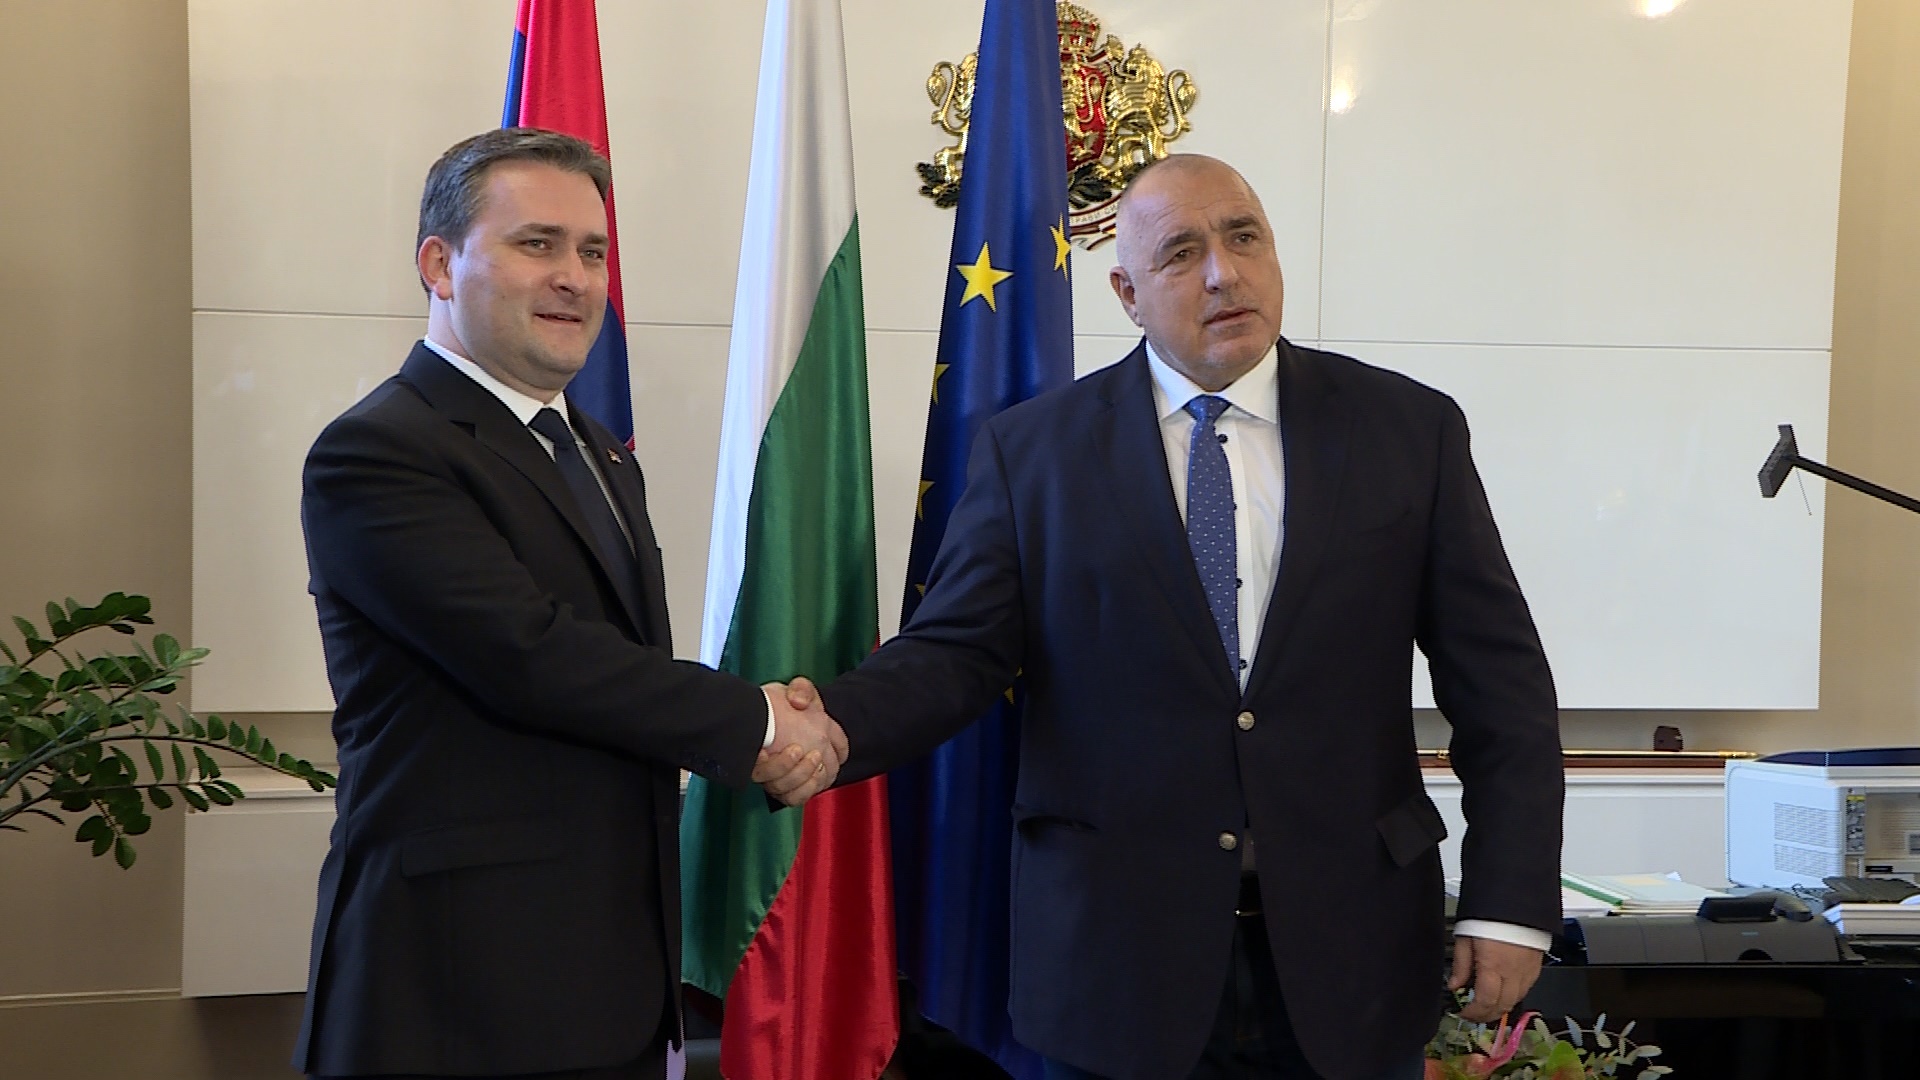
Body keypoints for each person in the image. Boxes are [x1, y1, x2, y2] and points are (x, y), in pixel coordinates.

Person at [777, 155, 1564, 1080]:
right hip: (1115, 963)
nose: (1224, 273)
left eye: (1243, 237)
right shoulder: (1034, 453)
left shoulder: (1407, 429)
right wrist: (832, 724)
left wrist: (1510, 901)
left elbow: (1501, 686)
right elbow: (955, 654)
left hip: (1354, 959)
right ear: (1127, 292)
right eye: (1183, 253)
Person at [293, 128, 841, 1080]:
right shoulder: (382, 450)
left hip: (608, 976)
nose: (575, 279)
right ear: (438, 265)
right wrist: (759, 722)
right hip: (454, 989)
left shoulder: (599, 453)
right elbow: (530, 654)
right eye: (536, 244)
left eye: (592, 252)